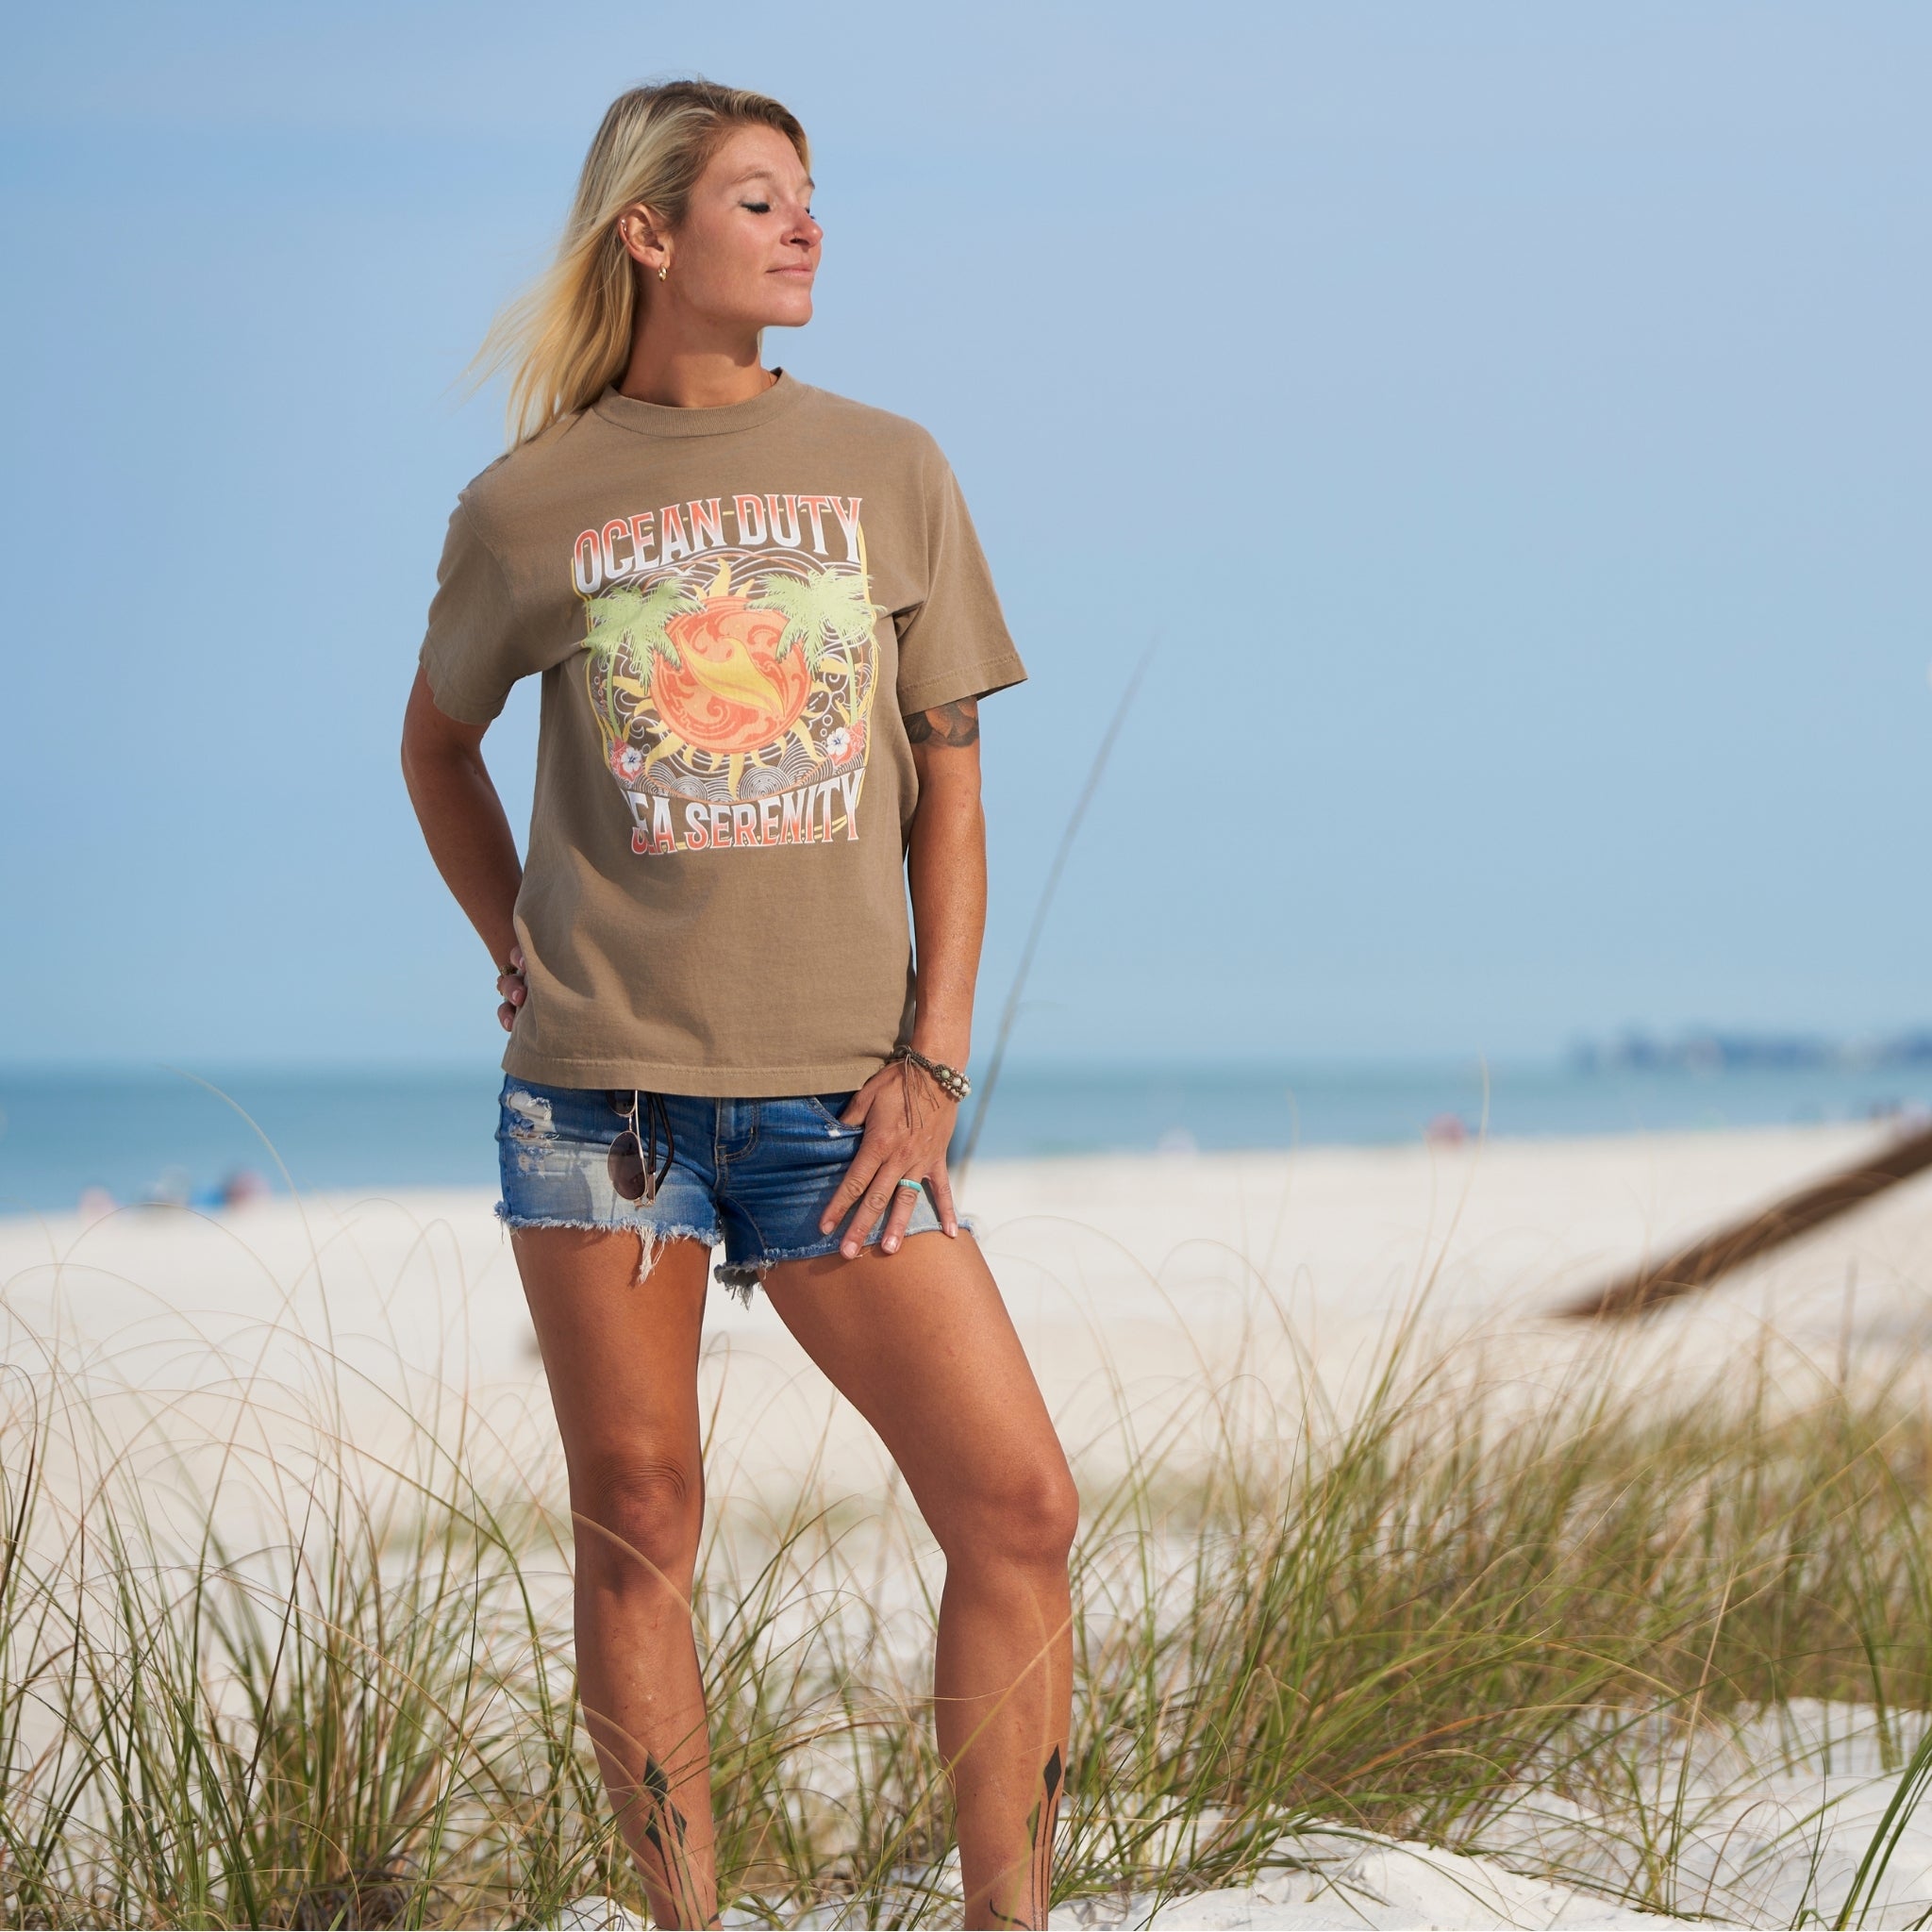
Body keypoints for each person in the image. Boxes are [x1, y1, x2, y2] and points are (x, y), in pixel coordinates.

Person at [400, 78, 1076, 1931]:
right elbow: (435, 743)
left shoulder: (889, 465)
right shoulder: (530, 501)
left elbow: (952, 786)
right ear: (650, 234)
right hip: (601, 1111)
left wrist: (933, 1062)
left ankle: (1006, 1921)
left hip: (845, 1105)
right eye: (760, 201)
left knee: (1016, 1506)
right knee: (642, 1527)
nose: (806, 231)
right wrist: (510, 937)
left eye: (808, 199)